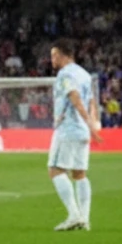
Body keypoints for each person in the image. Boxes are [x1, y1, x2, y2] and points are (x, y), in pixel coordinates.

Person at [47, 40, 102, 231]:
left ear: (61, 55)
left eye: (53, 55)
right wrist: (93, 123)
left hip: (68, 129)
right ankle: (84, 219)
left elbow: (75, 97)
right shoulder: (84, 74)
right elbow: (92, 101)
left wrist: (89, 123)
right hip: (82, 131)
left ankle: (73, 215)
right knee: (79, 174)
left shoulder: (65, 74)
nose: (52, 60)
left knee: (55, 170)